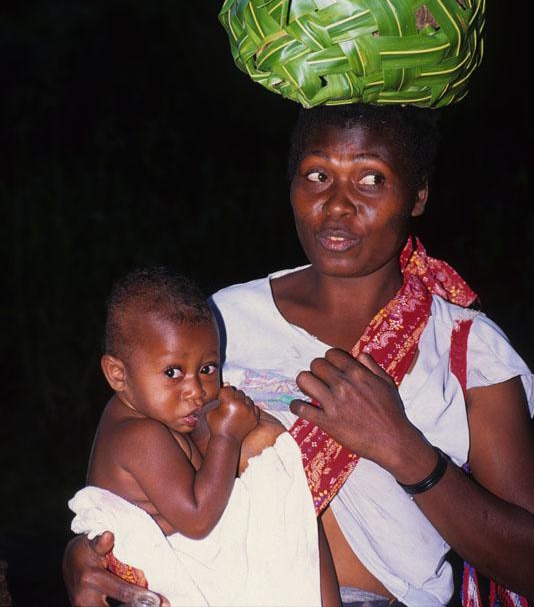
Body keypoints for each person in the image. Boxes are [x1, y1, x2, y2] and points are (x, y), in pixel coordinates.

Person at [63, 105, 534, 607]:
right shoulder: (220, 321)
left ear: (417, 195)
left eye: (371, 178)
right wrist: (84, 554)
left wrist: (402, 449)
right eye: (317, 175)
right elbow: (131, 458)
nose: (337, 204)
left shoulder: (466, 346)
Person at [67, 267, 338, 607]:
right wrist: (227, 436)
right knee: (279, 480)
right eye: (172, 372)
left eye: (208, 368)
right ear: (117, 374)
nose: (195, 389)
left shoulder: (151, 415)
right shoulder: (141, 435)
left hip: (182, 544)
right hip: (174, 567)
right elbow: (197, 520)